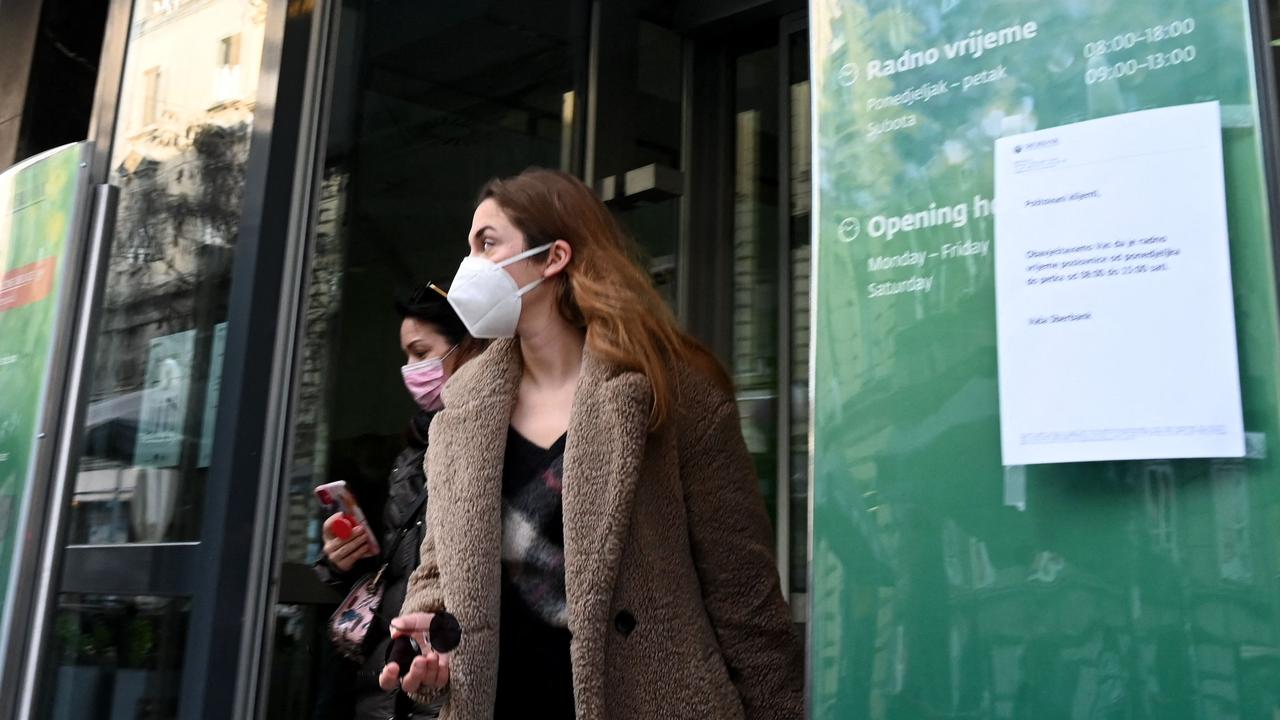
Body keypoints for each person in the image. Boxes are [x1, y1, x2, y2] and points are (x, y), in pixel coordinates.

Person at [379, 169, 804, 719]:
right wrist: (426, 640)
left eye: (487, 243)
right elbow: (438, 571)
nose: (468, 267)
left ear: (553, 258)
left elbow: (745, 598)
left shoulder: (670, 396)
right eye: (468, 246)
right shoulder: (459, 418)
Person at [314, 282, 483, 720]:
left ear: (466, 350)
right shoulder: (408, 457)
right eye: (407, 355)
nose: (410, 369)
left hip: (444, 687)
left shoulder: (493, 449)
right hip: (381, 688)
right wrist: (341, 560)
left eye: (422, 352)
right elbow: (392, 568)